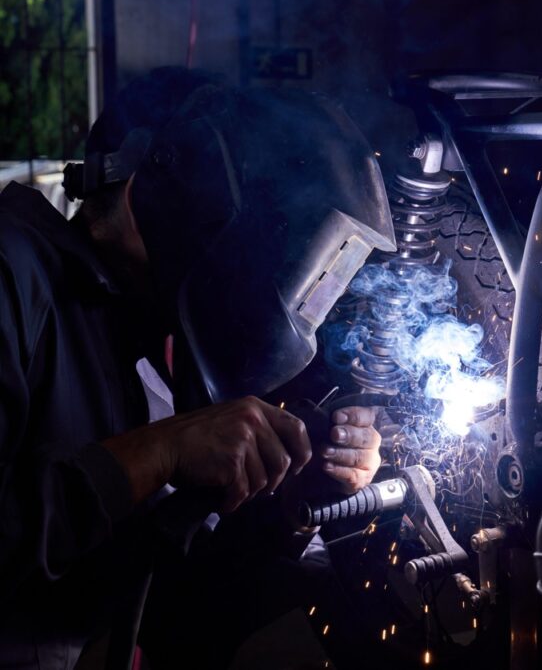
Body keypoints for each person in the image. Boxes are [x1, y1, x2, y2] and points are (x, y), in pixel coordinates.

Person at [0, 68, 396, 668]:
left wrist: (296, 507)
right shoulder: (13, 272)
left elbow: (175, 623)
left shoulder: (139, 349)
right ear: (166, 193)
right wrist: (157, 453)